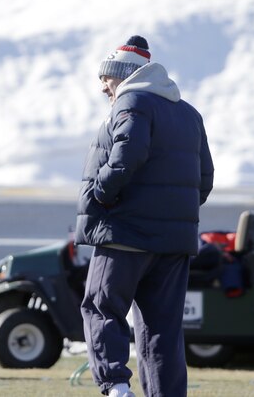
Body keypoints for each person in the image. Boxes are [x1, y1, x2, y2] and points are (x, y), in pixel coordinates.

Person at [75, 35, 214, 397]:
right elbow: (204, 179)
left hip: (125, 233)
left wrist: (102, 196)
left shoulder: (132, 102)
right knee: (162, 329)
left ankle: (116, 386)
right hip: (173, 244)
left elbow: (126, 155)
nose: (103, 86)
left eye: (106, 77)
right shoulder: (188, 113)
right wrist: (171, 216)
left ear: (124, 74)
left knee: (101, 306)